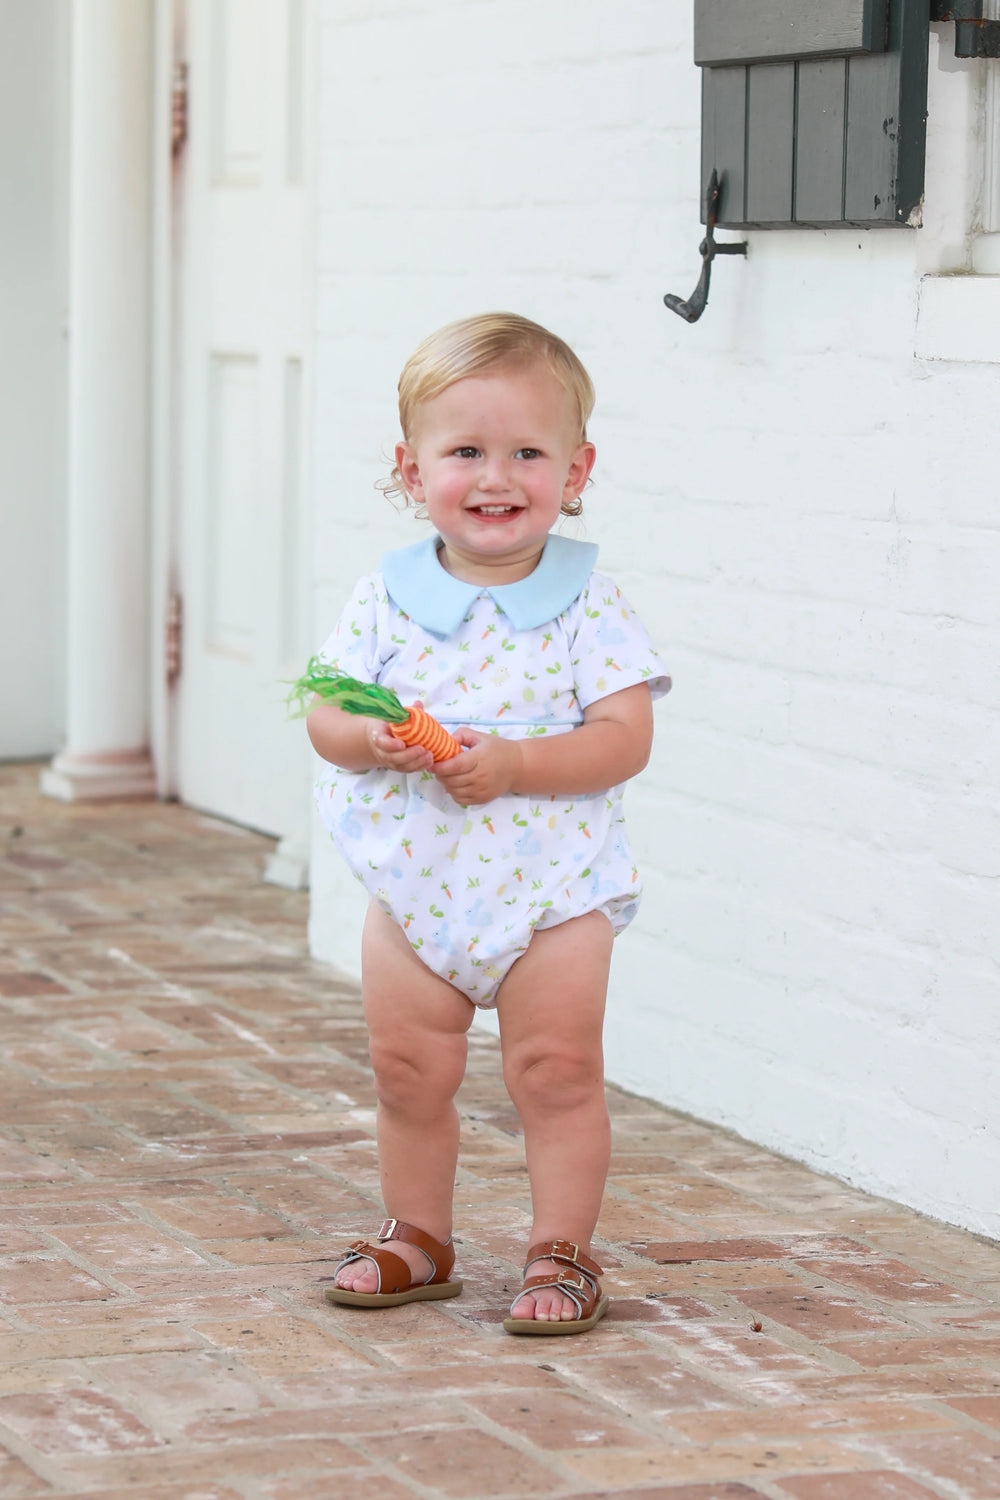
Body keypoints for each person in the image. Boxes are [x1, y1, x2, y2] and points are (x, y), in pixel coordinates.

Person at [307, 312, 670, 1334]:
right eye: (464, 450)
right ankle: (417, 1232)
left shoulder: (589, 604)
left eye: (526, 451)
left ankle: (562, 1248)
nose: (495, 475)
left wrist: (513, 763)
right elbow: (325, 711)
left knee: (553, 1070)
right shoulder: (384, 597)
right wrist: (368, 740)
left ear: (576, 468)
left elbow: (621, 739)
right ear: (411, 469)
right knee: (406, 1068)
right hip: (418, 887)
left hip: (554, 890)